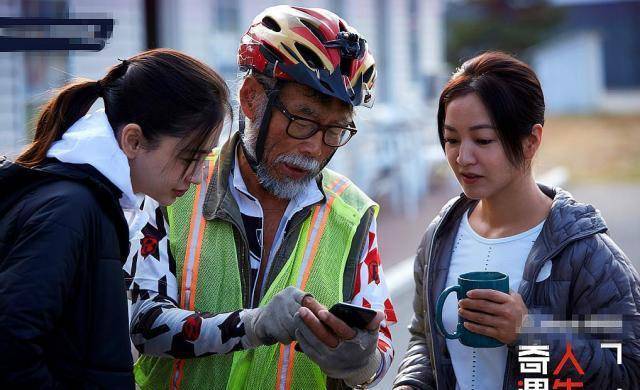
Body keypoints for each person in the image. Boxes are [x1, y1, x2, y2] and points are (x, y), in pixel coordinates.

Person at [127, 5, 397, 390]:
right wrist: (251, 325)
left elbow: (382, 342)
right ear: (251, 98)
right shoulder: (176, 187)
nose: (316, 149)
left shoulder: (354, 212)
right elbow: (144, 322)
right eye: (303, 121)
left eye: (336, 130)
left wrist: (361, 362)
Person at [393, 51, 640, 389]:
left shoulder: (588, 254)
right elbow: (425, 340)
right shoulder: (440, 237)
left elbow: (628, 371)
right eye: (451, 139)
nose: (463, 157)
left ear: (531, 141)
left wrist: (529, 331)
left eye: (483, 140)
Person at [0, 49, 232, 388]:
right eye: (190, 157)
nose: (198, 177)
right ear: (133, 140)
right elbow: (10, 341)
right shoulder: (73, 208)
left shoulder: (89, 203)